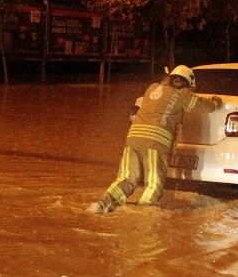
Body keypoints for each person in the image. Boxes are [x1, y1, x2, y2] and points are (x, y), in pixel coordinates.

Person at [88, 65, 222, 213]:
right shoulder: (183, 94)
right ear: (187, 83)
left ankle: (101, 205)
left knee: (126, 178)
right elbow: (206, 107)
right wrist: (216, 102)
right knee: (153, 184)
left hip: (132, 140)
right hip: (155, 144)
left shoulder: (152, 88)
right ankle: (144, 214)